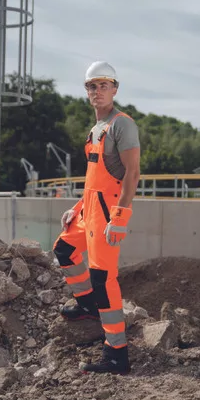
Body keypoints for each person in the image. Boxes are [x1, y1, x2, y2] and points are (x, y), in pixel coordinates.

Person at [52, 61, 140, 374]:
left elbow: (132, 173)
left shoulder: (122, 125)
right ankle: (88, 305)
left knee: (103, 278)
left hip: (107, 214)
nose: (98, 91)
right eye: (92, 86)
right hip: (89, 209)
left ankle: (116, 353)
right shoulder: (96, 128)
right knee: (64, 249)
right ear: (86, 90)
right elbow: (95, 180)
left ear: (115, 89)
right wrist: (77, 207)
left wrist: (120, 217)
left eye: (104, 85)